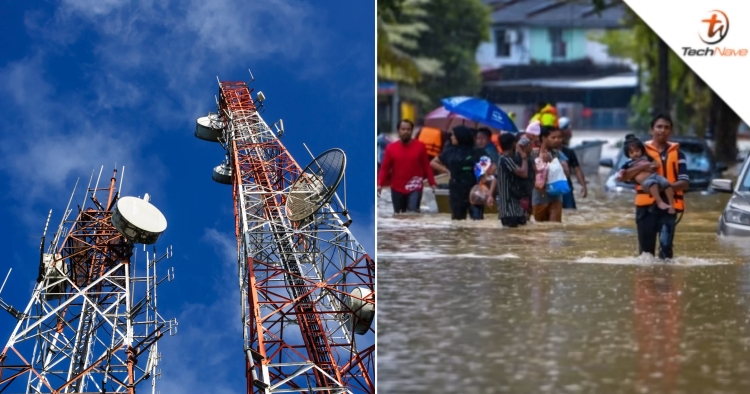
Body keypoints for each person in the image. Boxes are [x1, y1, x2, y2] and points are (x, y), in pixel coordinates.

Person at [618, 113, 689, 260]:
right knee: (646, 255)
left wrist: (659, 187)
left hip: (669, 207)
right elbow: (624, 176)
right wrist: (642, 167)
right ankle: (647, 281)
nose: (662, 130)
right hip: (645, 210)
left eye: (666, 127)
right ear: (652, 130)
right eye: (659, 127)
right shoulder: (639, 151)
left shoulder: (679, 154)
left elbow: (684, 183)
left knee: (666, 251)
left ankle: (666, 281)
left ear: (671, 131)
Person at [377, 119, 437, 214]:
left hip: (415, 186)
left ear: (412, 131)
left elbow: (426, 166)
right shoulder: (391, 148)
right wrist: (379, 184)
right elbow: (385, 168)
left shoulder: (420, 146)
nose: (406, 131)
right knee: (399, 215)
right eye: (403, 129)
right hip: (397, 187)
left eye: (408, 129)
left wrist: (432, 183)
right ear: (398, 131)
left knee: (412, 213)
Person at [431, 126, 487, 220]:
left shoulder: (476, 151)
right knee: (457, 219)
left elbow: (489, 166)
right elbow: (433, 162)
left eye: (453, 135)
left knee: (477, 219)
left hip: (474, 189)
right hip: (456, 190)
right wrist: (446, 170)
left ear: (460, 136)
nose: (451, 137)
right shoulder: (449, 151)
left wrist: (482, 179)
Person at [617, 135, 676, 214]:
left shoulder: (647, 158)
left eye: (637, 151)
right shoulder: (629, 163)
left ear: (641, 150)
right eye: (631, 152)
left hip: (655, 176)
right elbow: (622, 171)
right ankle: (660, 202)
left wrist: (652, 165)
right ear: (628, 155)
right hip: (647, 181)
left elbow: (656, 164)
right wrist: (620, 175)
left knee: (666, 183)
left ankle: (672, 205)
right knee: (653, 184)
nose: (635, 154)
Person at [491, 133, 530, 227]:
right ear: (513, 144)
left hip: (515, 208)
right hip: (509, 210)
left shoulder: (506, 159)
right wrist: (524, 157)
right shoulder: (505, 160)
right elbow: (524, 173)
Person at [531, 126, 570, 223]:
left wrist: (553, 161)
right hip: (538, 198)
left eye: (559, 137)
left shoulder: (558, 154)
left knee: (554, 228)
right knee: (540, 233)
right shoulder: (533, 154)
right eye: (553, 137)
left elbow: (567, 174)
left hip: (555, 197)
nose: (558, 140)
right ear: (544, 138)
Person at [559, 118, 587, 209]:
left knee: (569, 211)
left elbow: (577, 169)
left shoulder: (568, 152)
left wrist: (583, 185)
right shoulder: (547, 152)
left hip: (566, 188)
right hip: (552, 189)